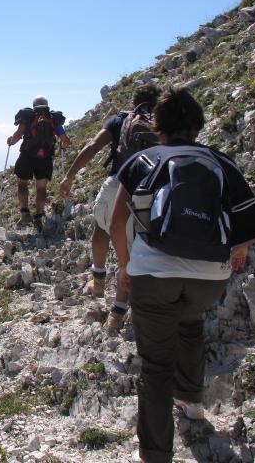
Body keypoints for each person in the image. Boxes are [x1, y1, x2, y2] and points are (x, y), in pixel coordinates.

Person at [109, 88, 255, 463]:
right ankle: (192, 404)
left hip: (152, 275)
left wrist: (125, 265)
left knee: (155, 365)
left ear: (157, 125)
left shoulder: (142, 159)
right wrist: (238, 249)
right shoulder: (219, 162)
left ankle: (155, 454)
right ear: (197, 127)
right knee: (190, 320)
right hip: (209, 280)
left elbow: (117, 221)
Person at [60, 84, 161, 329]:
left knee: (102, 227)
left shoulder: (120, 120)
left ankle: (99, 279)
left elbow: (94, 146)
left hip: (119, 182)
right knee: (135, 247)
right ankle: (121, 308)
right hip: (152, 190)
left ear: (134, 101)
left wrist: (70, 175)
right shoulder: (161, 125)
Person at [7, 95, 70, 232]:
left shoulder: (28, 116)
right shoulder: (54, 119)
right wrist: (61, 143)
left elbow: (17, 136)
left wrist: (11, 140)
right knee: (41, 188)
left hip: (27, 156)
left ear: (33, 105)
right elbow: (66, 141)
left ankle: (24, 213)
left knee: (22, 183)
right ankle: (38, 217)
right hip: (45, 158)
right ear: (47, 104)